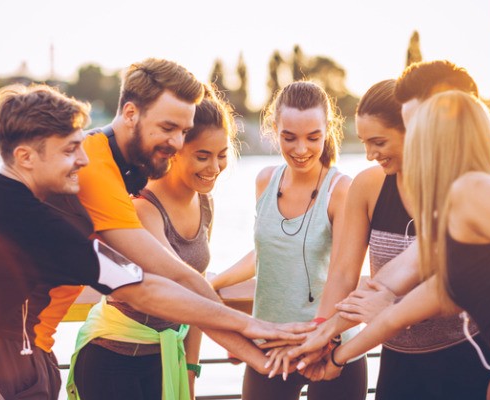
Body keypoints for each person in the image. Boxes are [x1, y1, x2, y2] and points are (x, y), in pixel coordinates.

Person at [0, 84, 309, 400]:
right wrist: (251, 326)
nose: (83, 160)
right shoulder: (39, 225)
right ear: (26, 157)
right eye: (69, 150)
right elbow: (144, 287)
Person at [285, 61, 490, 398]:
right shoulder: (453, 203)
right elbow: (392, 295)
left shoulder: (479, 190)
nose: (412, 138)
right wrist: (328, 345)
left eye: (415, 126)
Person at [44, 58, 309, 399]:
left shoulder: (121, 175)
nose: (175, 142)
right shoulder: (101, 173)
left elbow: (171, 284)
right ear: (129, 113)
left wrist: (221, 360)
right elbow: (160, 285)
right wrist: (255, 340)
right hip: (37, 348)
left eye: (182, 131)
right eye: (168, 128)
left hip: (46, 348)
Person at [69, 89, 236, 400]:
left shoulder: (205, 204)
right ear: (174, 151)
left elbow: (197, 295)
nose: (214, 167)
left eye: (222, 154)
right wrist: (246, 338)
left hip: (162, 358)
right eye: (202, 156)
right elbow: (180, 283)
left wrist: (191, 371)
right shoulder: (144, 206)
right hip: (112, 358)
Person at [210, 81, 367, 400]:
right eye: (289, 137)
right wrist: (211, 284)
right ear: (274, 129)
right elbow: (267, 252)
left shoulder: (341, 189)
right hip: (269, 347)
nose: (301, 149)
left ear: (328, 130)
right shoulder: (265, 180)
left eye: (313, 137)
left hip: (329, 348)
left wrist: (327, 341)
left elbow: (343, 272)